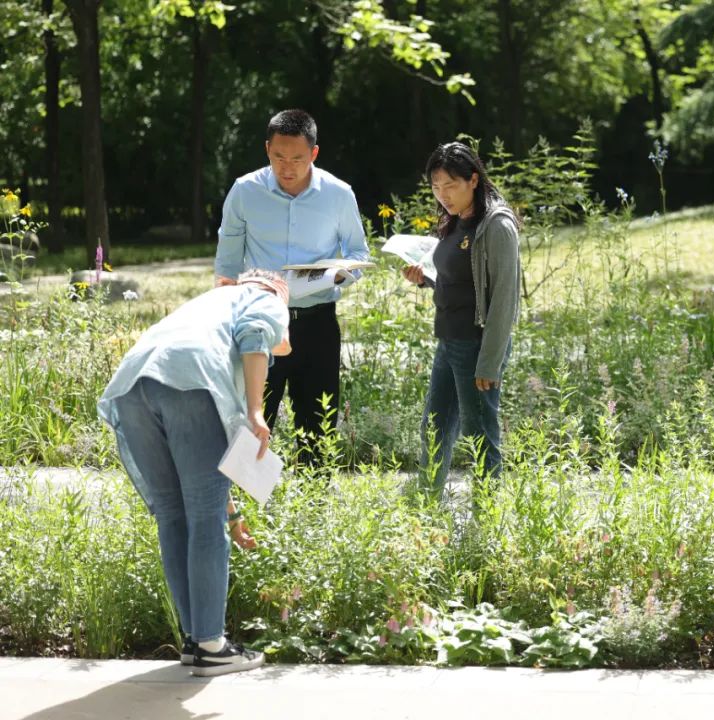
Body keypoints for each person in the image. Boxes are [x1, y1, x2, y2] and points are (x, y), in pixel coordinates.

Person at [97, 269, 292, 677]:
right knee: (202, 520)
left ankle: (195, 640)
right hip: (188, 384)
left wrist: (234, 514)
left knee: (174, 515)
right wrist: (257, 410)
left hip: (132, 386)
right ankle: (212, 645)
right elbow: (258, 334)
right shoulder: (266, 297)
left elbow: (207, 467)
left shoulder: (208, 304)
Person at [214, 109, 369, 460]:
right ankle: (247, 509)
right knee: (250, 426)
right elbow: (227, 261)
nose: (287, 167)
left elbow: (358, 252)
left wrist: (337, 275)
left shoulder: (338, 194)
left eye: (297, 158)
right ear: (267, 149)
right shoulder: (245, 190)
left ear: (314, 153)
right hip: (259, 322)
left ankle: (313, 508)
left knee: (318, 427)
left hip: (317, 321)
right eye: (278, 157)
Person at [402, 141, 521, 497]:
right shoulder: (455, 221)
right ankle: (426, 509)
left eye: (450, 186)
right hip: (449, 340)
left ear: (473, 179)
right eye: (436, 187)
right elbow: (461, 279)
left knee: (480, 435)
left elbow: (504, 299)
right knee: (434, 428)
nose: (443, 195)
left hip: (478, 344)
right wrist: (425, 279)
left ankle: (488, 519)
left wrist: (490, 361)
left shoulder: (496, 225)